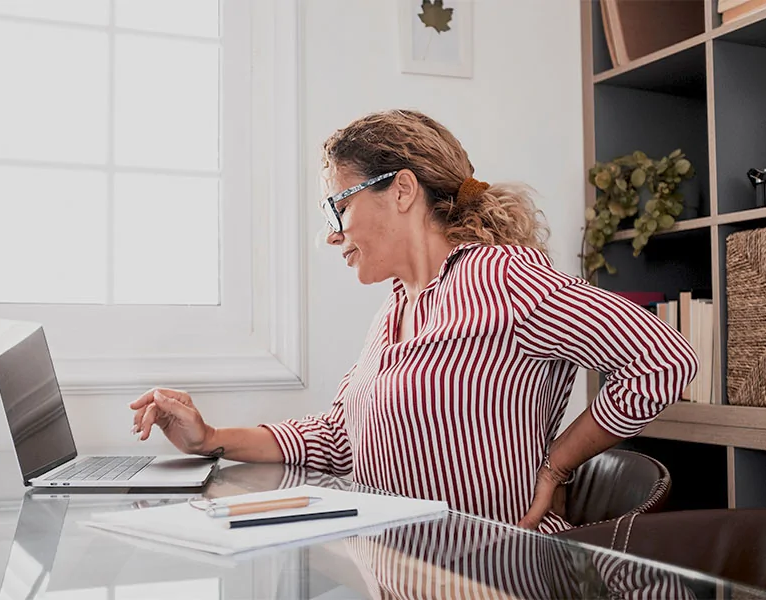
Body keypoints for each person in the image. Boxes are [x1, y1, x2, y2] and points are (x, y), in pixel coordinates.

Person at [130, 109, 698, 534]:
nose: (333, 232)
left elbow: (665, 361)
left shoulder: (497, 278)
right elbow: (338, 438)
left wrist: (557, 462)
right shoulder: (398, 306)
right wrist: (210, 439)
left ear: (401, 190)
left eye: (339, 206)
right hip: (408, 569)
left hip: (494, 574)